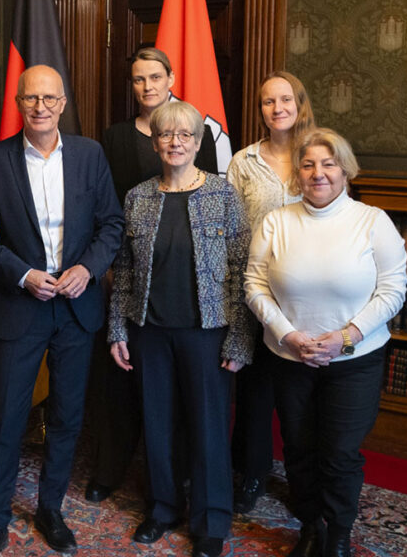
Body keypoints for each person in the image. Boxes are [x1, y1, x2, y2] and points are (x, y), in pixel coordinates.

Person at [0, 65, 124, 557]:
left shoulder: (90, 155)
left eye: (49, 99)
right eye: (31, 98)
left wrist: (88, 269)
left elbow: (112, 225)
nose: (40, 107)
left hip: (78, 309)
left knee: (68, 415)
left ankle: (50, 509)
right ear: (18, 102)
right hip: (22, 308)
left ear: (61, 103)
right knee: (8, 417)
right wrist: (23, 275)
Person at [243, 128, 407, 557]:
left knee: (338, 453)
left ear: (345, 169)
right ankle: (309, 526)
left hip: (354, 360)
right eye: (309, 164)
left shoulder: (373, 221)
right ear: (298, 172)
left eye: (328, 163)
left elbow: (393, 290)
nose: (319, 173)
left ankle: (338, 535)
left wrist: (345, 338)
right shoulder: (275, 220)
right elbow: (255, 284)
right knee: (298, 449)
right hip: (289, 356)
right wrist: (288, 335)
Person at [107, 101, 252, 557]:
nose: (175, 143)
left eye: (185, 135)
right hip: (150, 330)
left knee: (208, 426)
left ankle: (210, 519)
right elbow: (124, 272)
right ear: (154, 143)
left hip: (207, 331)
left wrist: (240, 338)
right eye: (166, 135)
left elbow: (242, 268)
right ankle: (163, 507)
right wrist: (117, 329)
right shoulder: (137, 197)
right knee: (158, 423)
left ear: (197, 142)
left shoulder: (223, 194)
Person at [85, 46, 219, 504]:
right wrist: (108, 266)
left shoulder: (200, 139)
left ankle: (186, 487)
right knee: (126, 387)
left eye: (154, 77)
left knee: (186, 402)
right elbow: (104, 204)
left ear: (171, 78)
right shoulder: (117, 137)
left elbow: (212, 220)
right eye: (138, 79)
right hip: (129, 272)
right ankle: (116, 471)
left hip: (186, 285)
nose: (147, 86)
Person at [226, 70, 315, 514]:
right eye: (267, 102)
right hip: (254, 292)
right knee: (255, 392)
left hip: (305, 294)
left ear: (299, 103)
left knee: (300, 397)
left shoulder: (318, 156)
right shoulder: (243, 162)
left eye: (285, 100)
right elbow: (229, 225)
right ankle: (253, 473)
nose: (277, 108)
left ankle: (302, 482)